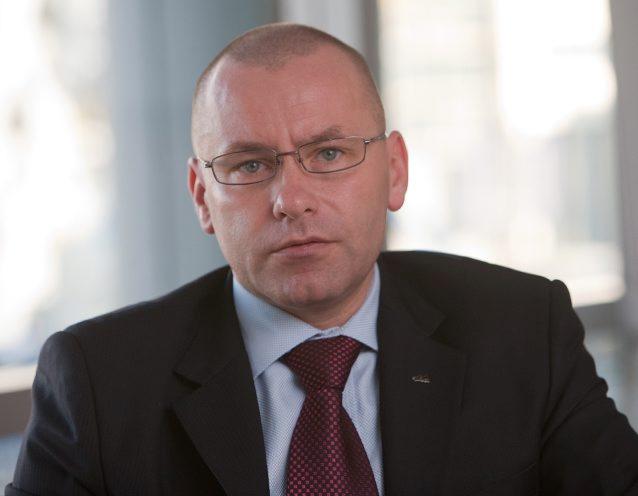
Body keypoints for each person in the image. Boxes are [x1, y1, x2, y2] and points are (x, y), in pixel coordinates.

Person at [6, 22, 638, 496]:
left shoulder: (523, 330)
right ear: (202, 197)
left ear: (395, 171)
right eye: (249, 165)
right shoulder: (98, 384)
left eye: (330, 154)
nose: (291, 200)